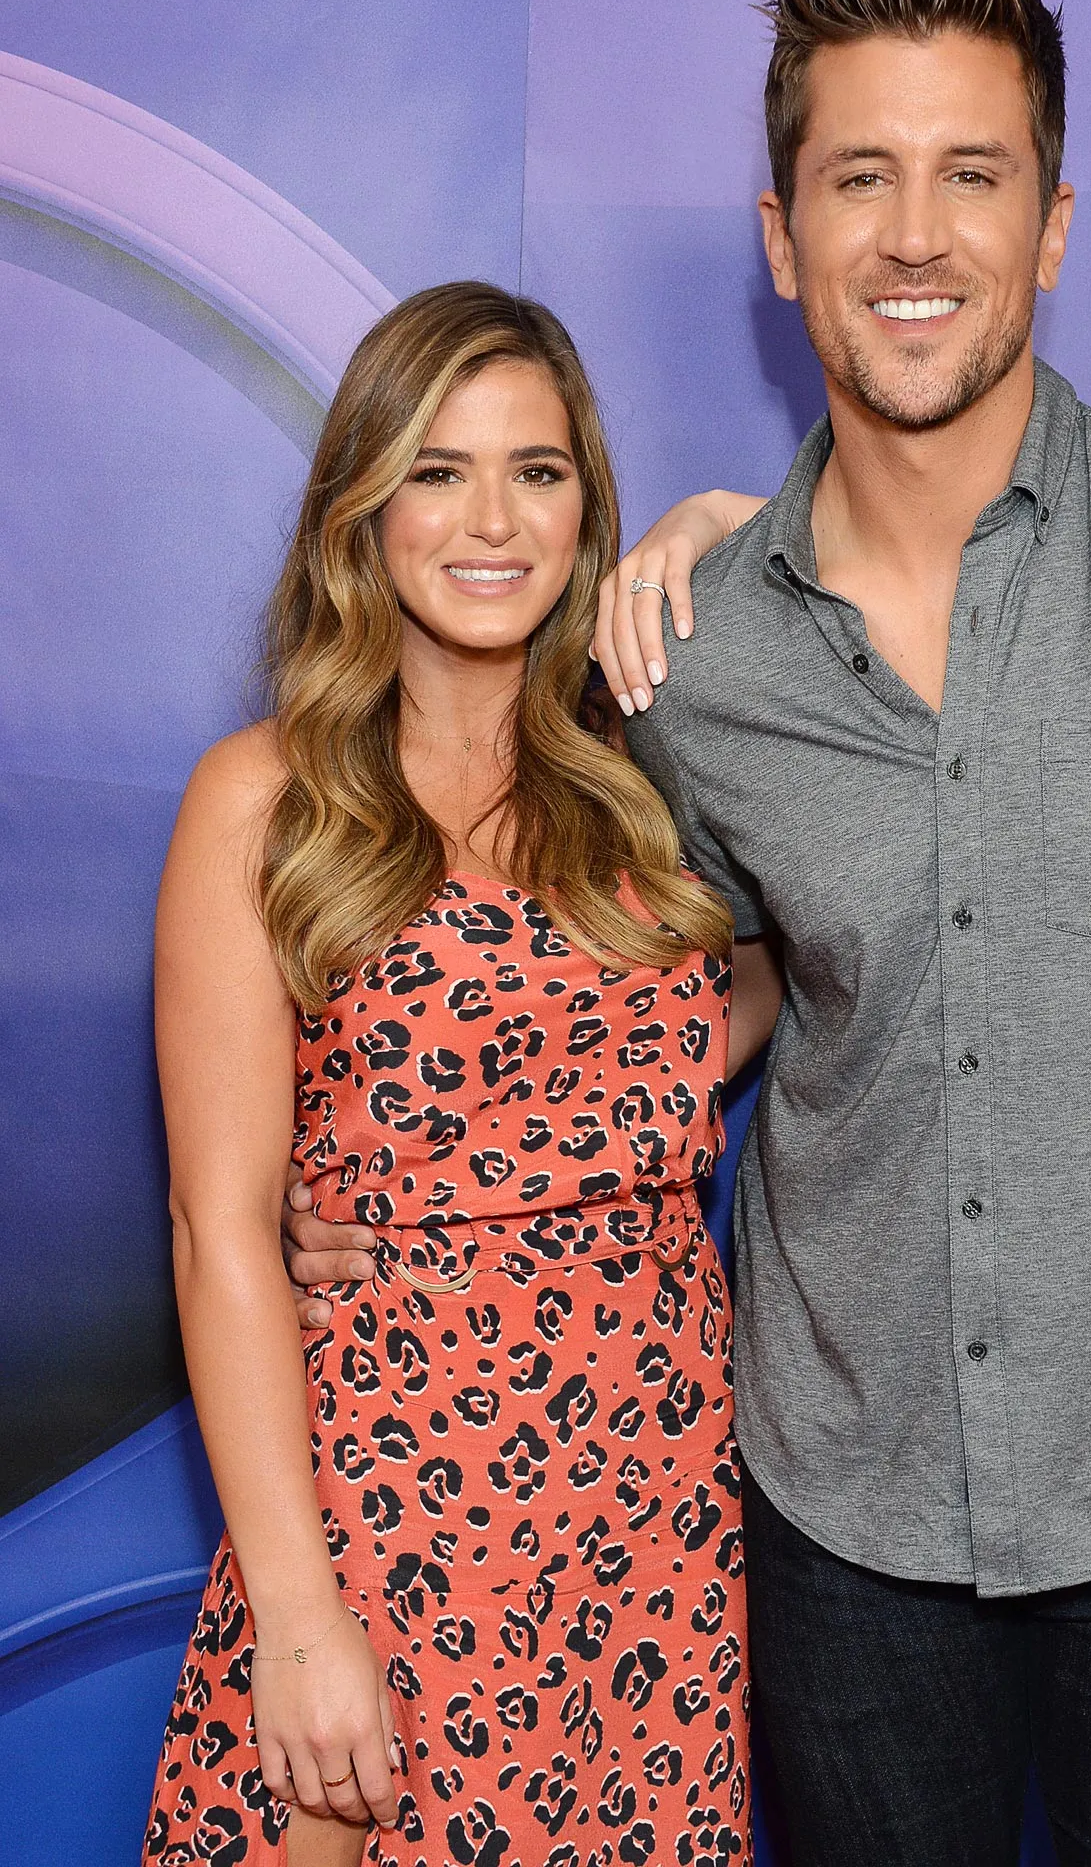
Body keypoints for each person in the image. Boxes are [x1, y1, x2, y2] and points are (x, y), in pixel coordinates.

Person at [291, 0, 1091, 1867]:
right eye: (860, 179)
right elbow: (612, 991)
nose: (916, 237)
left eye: (971, 175)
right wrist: (367, 1191)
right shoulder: (685, 657)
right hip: (834, 1526)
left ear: (1054, 226)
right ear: (782, 238)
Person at [144, 283, 777, 1867]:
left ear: (586, 509)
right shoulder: (268, 799)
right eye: (439, 470)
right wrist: (299, 1618)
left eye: (537, 472)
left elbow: (757, 981)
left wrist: (724, 525)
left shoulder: (643, 782)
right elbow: (221, 1235)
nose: (493, 520)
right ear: (365, 505)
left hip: (652, 1504)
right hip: (393, 1502)